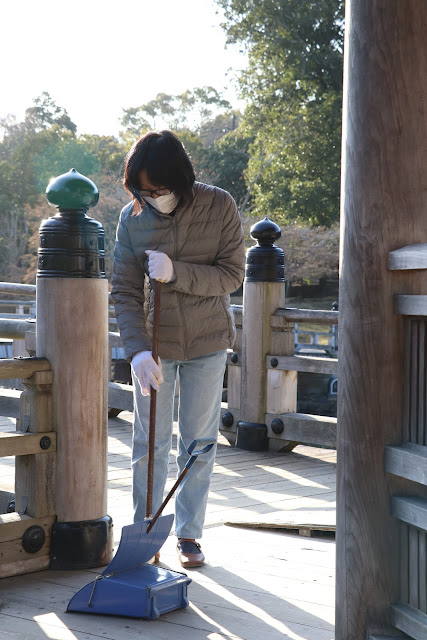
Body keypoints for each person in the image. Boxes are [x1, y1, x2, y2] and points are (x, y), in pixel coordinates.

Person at [111, 130, 245, 567]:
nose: (151, 198)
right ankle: (143, 535)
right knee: (148, 443)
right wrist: (136, 351)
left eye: (159, 190)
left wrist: (176, 272)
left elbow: (231, 276)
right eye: (142, 191)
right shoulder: (132, 218)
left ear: (180, 178)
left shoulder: (219, 204)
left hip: (208, 341)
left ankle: (189, 535)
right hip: (155, 346)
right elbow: (125, 290)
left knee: (198, 440)